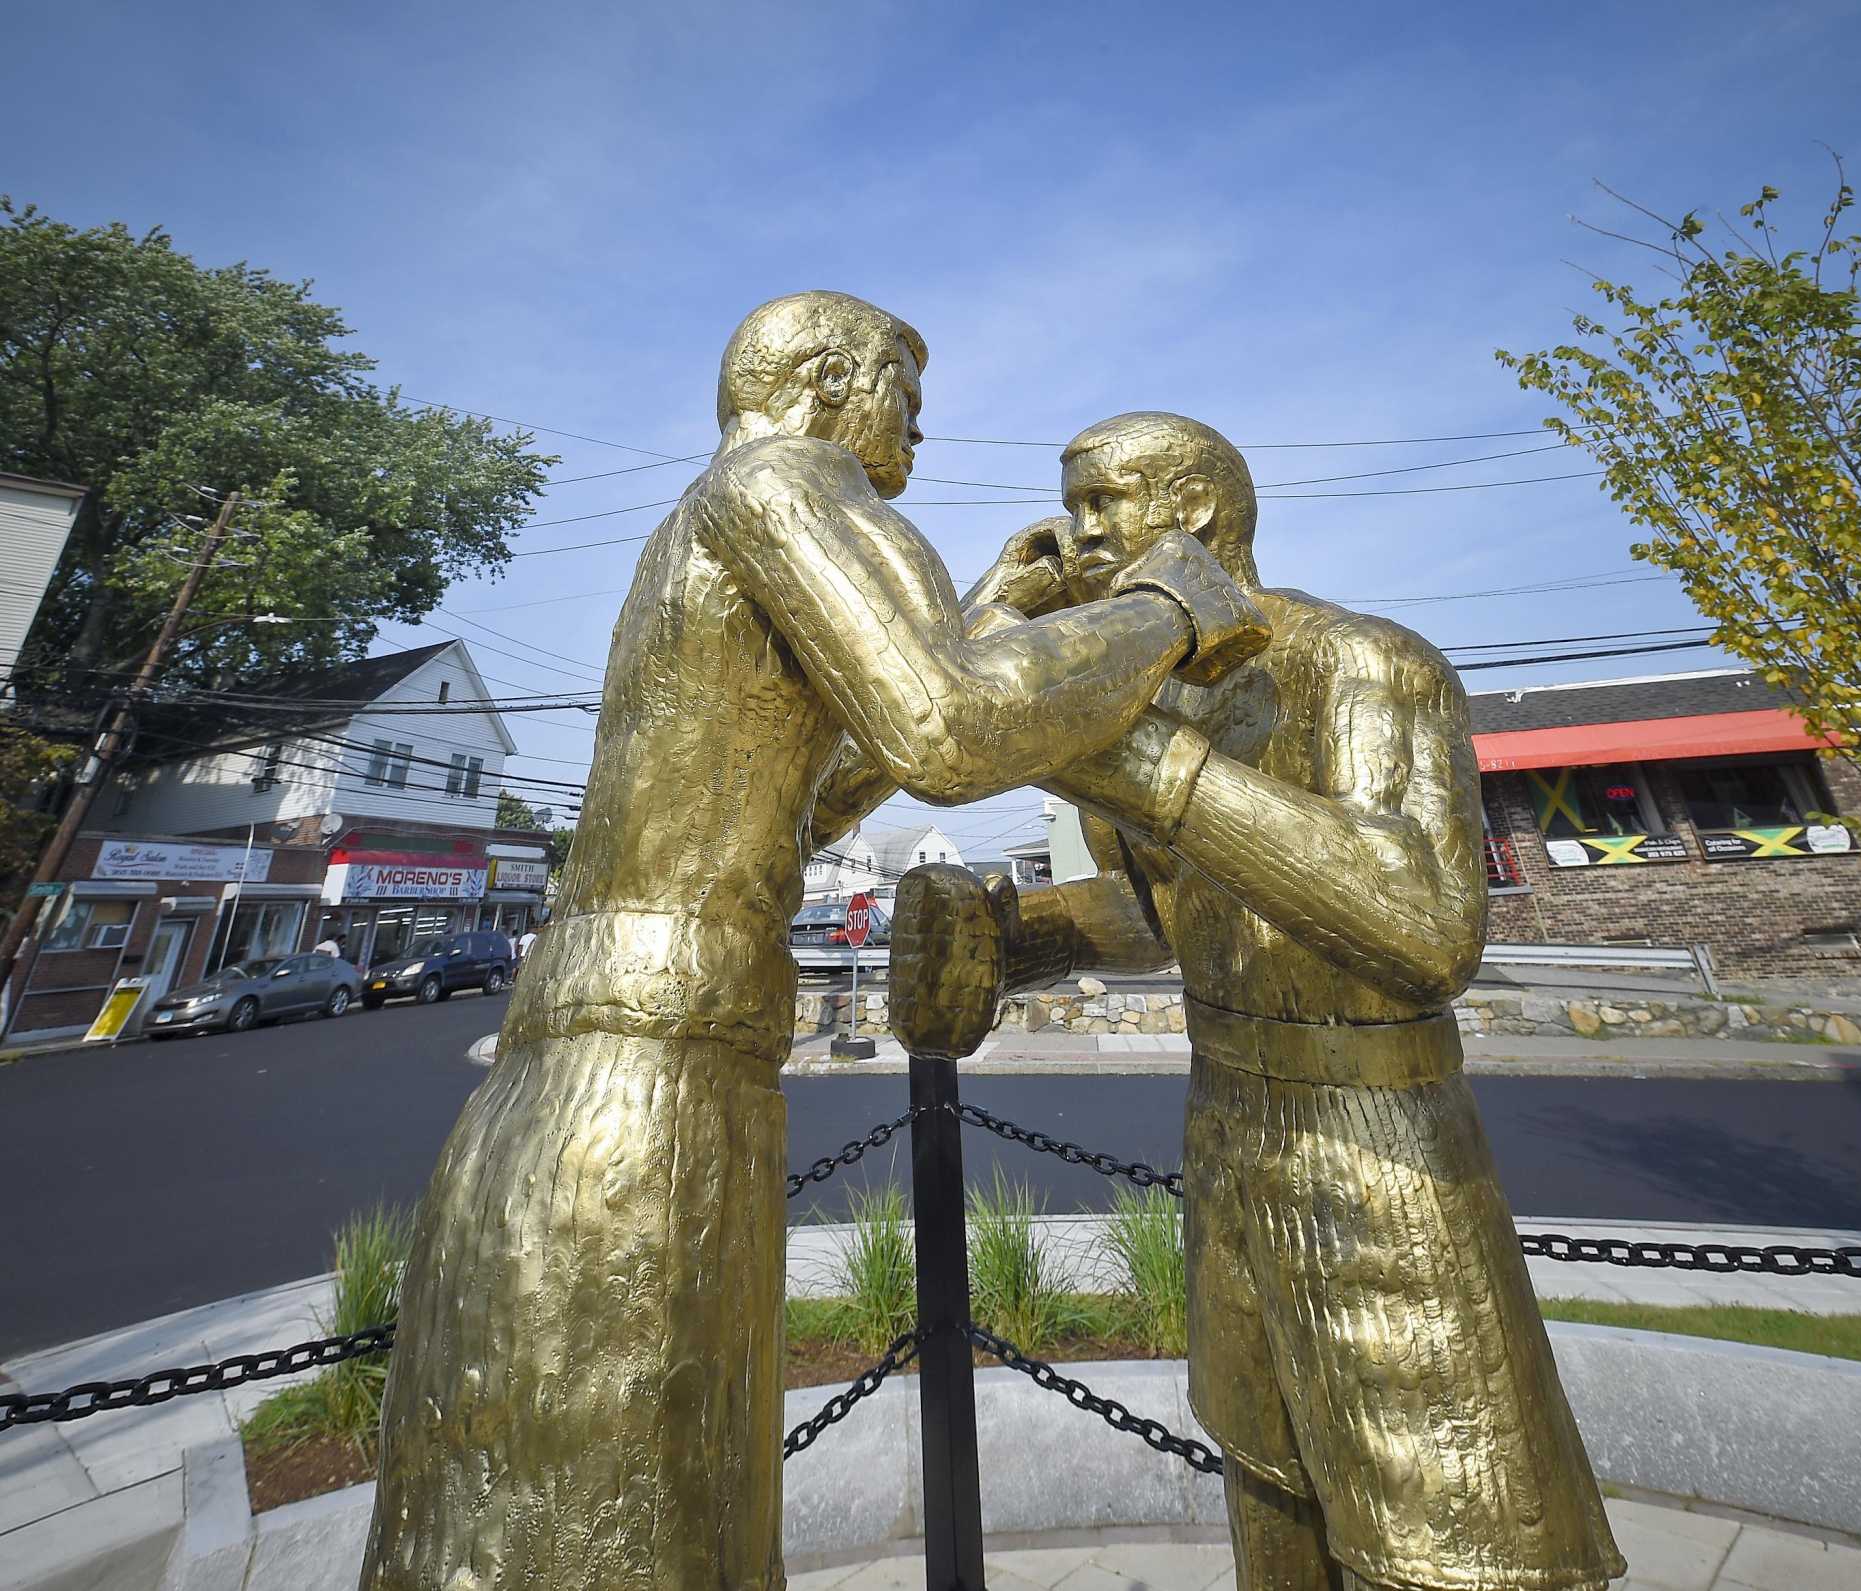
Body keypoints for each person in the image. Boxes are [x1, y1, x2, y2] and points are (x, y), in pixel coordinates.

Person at [358, 301, 1269, 1591]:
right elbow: (946, 734)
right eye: (904, 382)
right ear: (832, 379)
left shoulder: (740, 505)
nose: (917, 415)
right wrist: (1165, 610)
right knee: (624, 1531)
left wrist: (990, 613)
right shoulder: (790, 482)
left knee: (656, 1518)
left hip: (638, 1063)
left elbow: (824, 790)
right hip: (642, 1082)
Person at [892, 413, 1625, 1591]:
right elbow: (1188, 907)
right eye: (1067, 505)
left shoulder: (1358, 663)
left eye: (1097, 504)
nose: (1072, 535)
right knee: (1267, 1476)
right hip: (1230, 1125)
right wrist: (1018, 936)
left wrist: (1135, 765)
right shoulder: (1146, 696)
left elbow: (1426, 925)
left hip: (1376, 1148)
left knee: (1446, 1524)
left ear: (1188, 510)